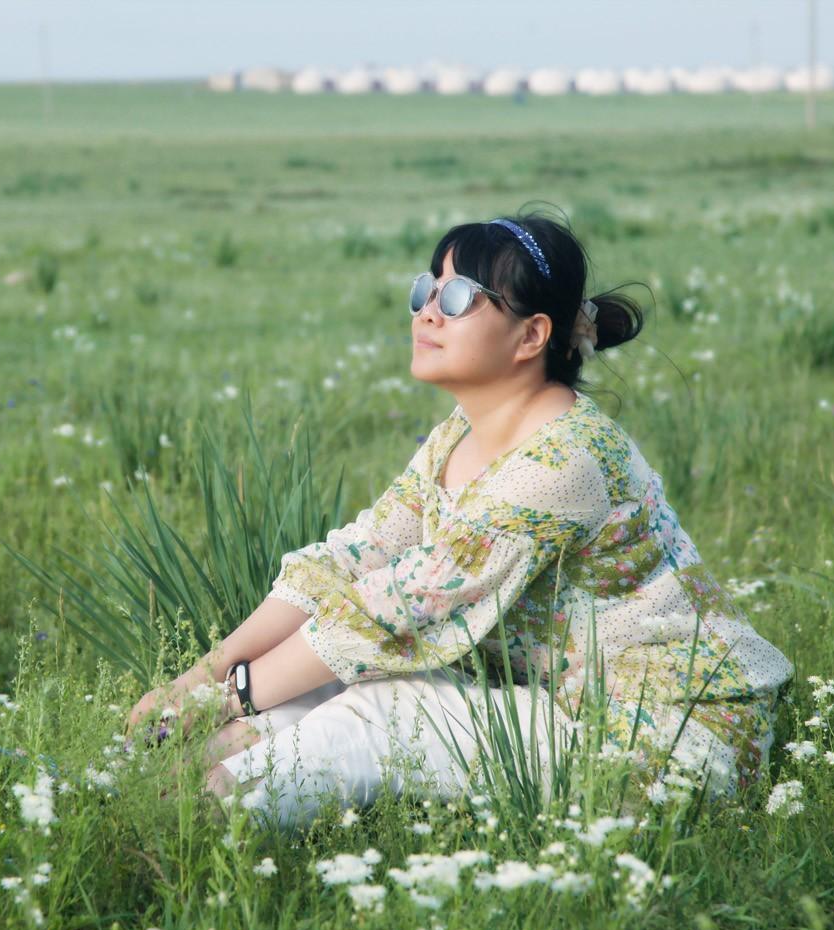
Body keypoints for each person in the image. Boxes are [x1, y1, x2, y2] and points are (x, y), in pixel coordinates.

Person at [124, 208, 795, 830]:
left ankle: (189, 824)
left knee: (388, 707)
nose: (426, 314)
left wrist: (229, 697)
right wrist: (201, 679)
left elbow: (400, 609)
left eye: (457, 298)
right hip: (559, 703)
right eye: (425, 290)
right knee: (327, 687)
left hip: (664, 736)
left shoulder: (566, 461)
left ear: (532, 335)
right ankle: (149, 788)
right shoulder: (461, 436)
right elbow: (357, 556)